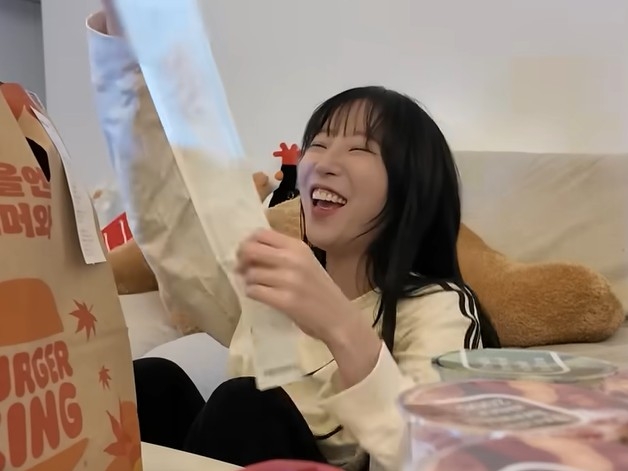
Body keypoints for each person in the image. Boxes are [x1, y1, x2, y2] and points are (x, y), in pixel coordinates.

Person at [87, 2, 501, 470]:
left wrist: (338, 324)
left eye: (360, 149)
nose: (323, 162)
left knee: (246, 406)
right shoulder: (275, 287)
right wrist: (125, 52)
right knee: (151, 383)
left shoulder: (438, 306)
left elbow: (436, 457)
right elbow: (170, 219)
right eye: (318, 144)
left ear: (411, 188)